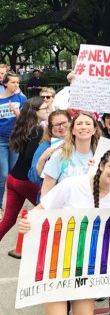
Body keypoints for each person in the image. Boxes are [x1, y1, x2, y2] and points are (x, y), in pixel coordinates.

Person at [17, 148, 110, 315]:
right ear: (101, 166)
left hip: (86, 268)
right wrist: (27, 222)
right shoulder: (72, 185)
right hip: (56, 263)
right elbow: (40, 210)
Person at [0, 97, 48, 241]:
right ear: (34, 112)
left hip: (13, 179)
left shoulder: (25, 126)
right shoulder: (38, 131)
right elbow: (29, 157)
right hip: (24, 181)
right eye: (44, 109)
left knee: (8, 220)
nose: (48, 111)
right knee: (48, 211)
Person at [40, 112, 101, 196]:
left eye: (88, 124)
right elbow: (45, 192)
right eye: (79, 124)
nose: (83, 127)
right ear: (72, 130)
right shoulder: (60, 155)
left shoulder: (101, 156)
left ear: (94, 130)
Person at [0, 72, 28, 214]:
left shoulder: (21, 99)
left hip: (16, 139)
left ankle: (13, 207)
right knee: (3, 174)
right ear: (5, 83)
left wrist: (16, 112)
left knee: (14, 174)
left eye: (17, 82)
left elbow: (25, 121)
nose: (16, 85)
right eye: (13, 82)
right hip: (1, 140)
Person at [28, 110, 71, 191]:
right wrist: (42, 159)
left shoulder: (78, 142)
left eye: (64, 123)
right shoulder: (45, 146)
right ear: (51, 128)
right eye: (57, 125)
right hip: (51, 193)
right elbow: (33, 177)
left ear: (70, 123)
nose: (61, 127)